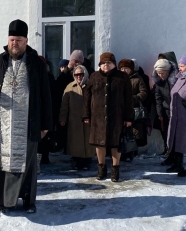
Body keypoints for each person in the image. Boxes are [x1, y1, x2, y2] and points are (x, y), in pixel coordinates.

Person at [0, 19, 52, 214]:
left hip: (28, 122)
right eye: (11, 39)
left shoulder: (36, 63)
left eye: (18, 40)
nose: (14, 43)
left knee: (28, 164)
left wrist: (45, 123)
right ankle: (3, 200)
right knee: (2, 162)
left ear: (26, 40)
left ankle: (28, 201)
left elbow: (45, 94)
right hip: (3, 124)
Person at [83, 52, 134, 182]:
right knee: (99, 143)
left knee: (116, 143)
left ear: (114, 64)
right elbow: (87, 98)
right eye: (103, 63)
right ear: (100, 64)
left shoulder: (122, 77)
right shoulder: (94, 77)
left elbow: (128, 99)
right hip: (97, 117)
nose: (106, 65)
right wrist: (86, 115)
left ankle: (115, 170)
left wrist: (128, 118)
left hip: (117, 116)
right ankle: (101, 169)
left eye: (109, 63)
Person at [59, 65, 94, 170]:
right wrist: (63, 118)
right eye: (76, 74)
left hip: (89, 120)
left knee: (89, 142)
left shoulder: (91, 85)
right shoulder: (70, 87)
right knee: (75, 142)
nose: (79, 77)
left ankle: (88, 161)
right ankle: (77, 161)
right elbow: (64, 105)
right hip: (74, 120)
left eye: (81, 74)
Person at [118, 58, 148, 158]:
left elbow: (143, 93)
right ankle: (122, 152)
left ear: (131, 69)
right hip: (120, 110)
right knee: (122, 132)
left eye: (126, 68)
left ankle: (131, 151)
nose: (123, 70)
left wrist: (134, 98)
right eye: (121, 68)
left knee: (133, 132)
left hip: (133, 110)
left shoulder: (137, 79)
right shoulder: (118, 79)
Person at [152, 58, 177, 164]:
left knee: (176, 135)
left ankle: (177, 159)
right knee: (167, 134)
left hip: (178, 110)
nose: (161, 75)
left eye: (163, 73)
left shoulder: (176, 79)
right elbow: (158, 98)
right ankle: (171, 156)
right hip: (166, 110)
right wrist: (160, 114)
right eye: (159, 73)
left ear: (168, 71)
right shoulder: (159, 82)